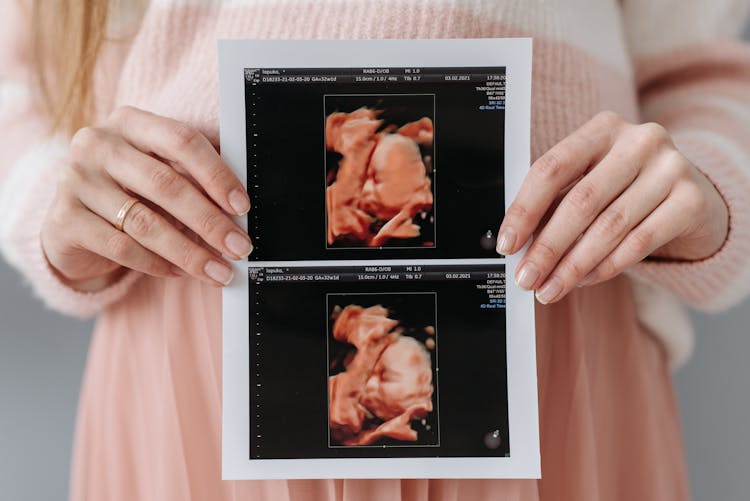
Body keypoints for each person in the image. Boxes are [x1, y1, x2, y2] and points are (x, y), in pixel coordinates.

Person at [1, 0, 749, 499]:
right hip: (197, 337)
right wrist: (54, 197)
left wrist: (703, 187)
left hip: (557, 321)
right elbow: (20, 75)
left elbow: (702, 66)